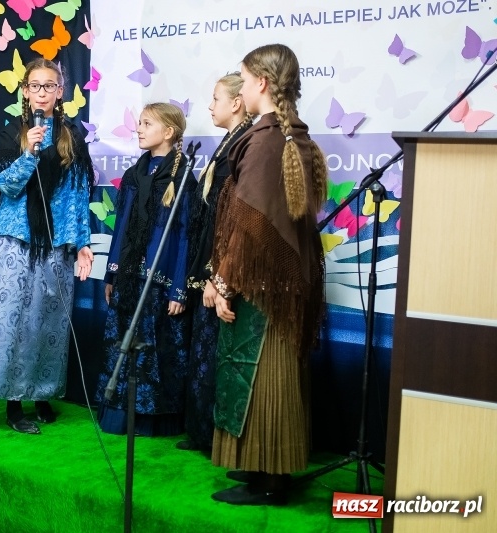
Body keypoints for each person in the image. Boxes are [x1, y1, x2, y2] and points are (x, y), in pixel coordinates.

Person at [209, 44, 328, 505]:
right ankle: (264, 471)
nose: (242, 85)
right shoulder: (292, 134)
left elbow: (249, 224)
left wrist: (222, 282)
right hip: (284, 281)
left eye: (244, 77)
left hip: (264, 284)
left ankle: (271, 480)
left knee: (264, 376)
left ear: (260, 82)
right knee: (269, 375)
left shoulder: (265, 140)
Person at [0, 58, 94, 435]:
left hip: (55, 245)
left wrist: (81, 243)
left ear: (60, 91)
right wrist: (29, 154)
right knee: (15, 322)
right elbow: (5, 186)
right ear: (25, 91)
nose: (42, 93)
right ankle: (13, 404)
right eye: (35, 86)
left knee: (48, 320)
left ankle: (42, 395)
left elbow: (76, 195)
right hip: (16, 242)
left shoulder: (73, 135)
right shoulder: (14, 133)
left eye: (49, 86)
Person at [94, 102, 195, 436]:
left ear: (168, 132)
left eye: (147, 124)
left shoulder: (182, 178)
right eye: (139, 122)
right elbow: (121, 225)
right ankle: (117, 415)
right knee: (121, 343)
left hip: (158, 282)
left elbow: (184, 238)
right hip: (128, 277)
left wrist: (178, 288)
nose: (138, 128)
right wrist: (112, 273)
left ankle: (153, 422)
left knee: (153, 351)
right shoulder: (134, 174)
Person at [178, 73, 254, 453]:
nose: (210, 106)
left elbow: (233, 220)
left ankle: (216, 437)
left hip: (224, 267)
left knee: (218, 352)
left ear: (236, 103)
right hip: (208, 260)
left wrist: (218, 276)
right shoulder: (228, 142)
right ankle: (201, 432)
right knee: (203, 350)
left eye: (215, 99)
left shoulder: (245, 144)